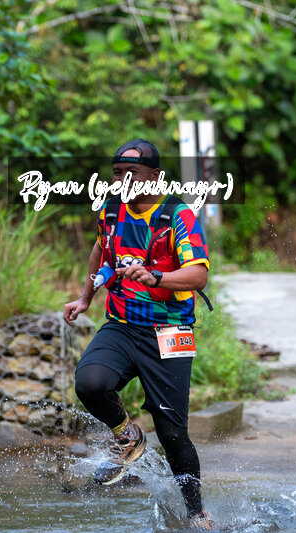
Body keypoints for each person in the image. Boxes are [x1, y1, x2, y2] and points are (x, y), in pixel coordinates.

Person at [63, 139, 215, 530]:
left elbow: (198, 274)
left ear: (155, 176)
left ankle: (196, 513)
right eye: (117, 173)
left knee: (172, 433)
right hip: (122, 325)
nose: (123, 181)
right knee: (90, 384)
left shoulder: (177, 215)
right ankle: (128, 437)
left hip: (170, 331)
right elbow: (101, 250)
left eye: (132, 173)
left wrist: (156, 277)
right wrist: (85, 298)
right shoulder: (111, 210)